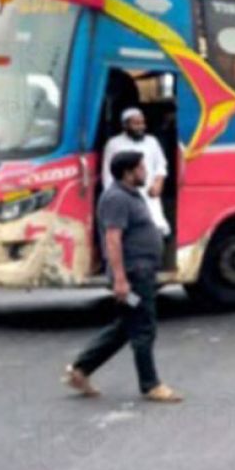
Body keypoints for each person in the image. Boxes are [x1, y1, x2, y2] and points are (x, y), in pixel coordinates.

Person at [62, 151, 182, 403]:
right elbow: (112, 239)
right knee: (144, 326)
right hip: (132, 275)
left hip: (140, 272)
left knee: (128, 325)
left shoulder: (130, 195)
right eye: (141, 168)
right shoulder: (116, 198)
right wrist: (120, 279)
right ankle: (151, 385)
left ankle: (81, 369)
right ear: (128, 173)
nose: (145, 172)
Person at [101, 107, 171, 237]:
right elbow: (108, 177)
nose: (141, 127)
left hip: (150, 196)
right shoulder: (114, 144)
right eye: (136, 123)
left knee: (158, 232)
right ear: (125, 125)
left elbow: (161, 166)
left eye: (142, 123)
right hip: (125, 198)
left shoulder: (152, 142)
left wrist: (158, 183)